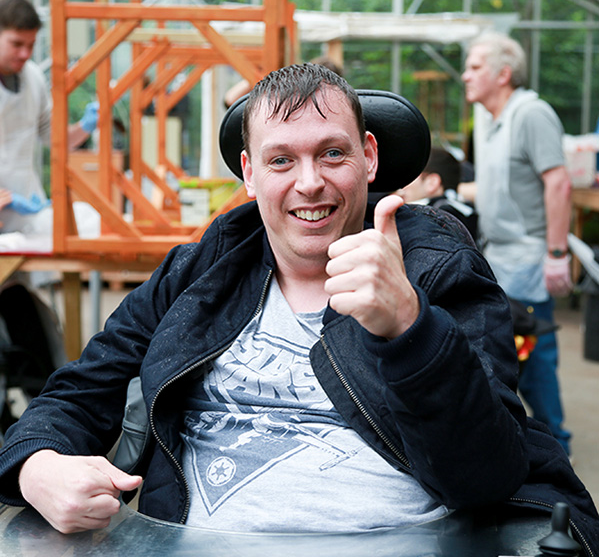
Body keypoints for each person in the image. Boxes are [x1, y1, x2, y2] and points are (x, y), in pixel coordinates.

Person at [0, 64, 597, 551]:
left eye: (331, 154)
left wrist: (410, 328)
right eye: (282, 160)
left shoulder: (438, 268)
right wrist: (36, 467)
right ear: (250, 172)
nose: (309, 182)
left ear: (369, 156)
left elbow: (485, 474)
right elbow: (77, 392)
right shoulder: (200, 271)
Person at [462, 31, 574, 457]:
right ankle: (526, 440)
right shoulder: (491, 120)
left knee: (535, 355)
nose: (465, 75)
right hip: (500, 254)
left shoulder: (531, 114)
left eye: (475, 67)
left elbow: (558, 183)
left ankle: (558, 448)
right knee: (510, 351)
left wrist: (557, 253)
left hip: (529, 255)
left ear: (503, 73)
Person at [0, 0, 98, 234]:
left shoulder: (33, 79)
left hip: (25, 215)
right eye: (16, 44)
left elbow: (56, 140)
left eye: (31, 45)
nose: (25, 53)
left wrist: (85, 126)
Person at [396, 147, 478, 241]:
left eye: (411, 176)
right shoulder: (461, 211)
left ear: (432, 183)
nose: (402, 184)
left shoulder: (431, 217)